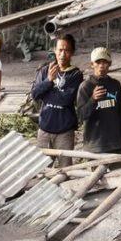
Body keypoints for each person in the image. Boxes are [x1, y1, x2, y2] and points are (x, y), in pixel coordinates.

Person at [30, 33, 83, 167]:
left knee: (66, 169)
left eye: (67, 50)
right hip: (44, 129)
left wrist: (46, 92)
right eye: (60, 50)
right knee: (41, 170)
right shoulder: (44, 71)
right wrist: (48, 80)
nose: (63, 54)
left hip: (65, 131)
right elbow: (35, 94)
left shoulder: (76, 74)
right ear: (55, 50)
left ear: (72, 52)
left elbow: (65, 100)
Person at [76, 47, 121, 155]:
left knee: (119, 171)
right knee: (96, 172)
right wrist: (93, 99)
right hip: (95, 145)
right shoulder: (86, 86)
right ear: (92, 64)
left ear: (110, 64)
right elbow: (81, 116)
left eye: (105, 62)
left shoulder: (115, 85)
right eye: (98, 62)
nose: (101, 65)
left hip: (114, 144)